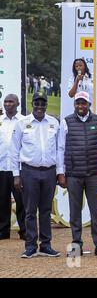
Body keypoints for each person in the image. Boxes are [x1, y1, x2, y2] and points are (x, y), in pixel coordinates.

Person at [56, 92, 97, 258]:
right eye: (78, 103)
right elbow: (60, 148)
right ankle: (76, 245)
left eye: (84, 103)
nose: (81, 106)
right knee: (75, 212)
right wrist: (61, 172)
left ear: (89, 104)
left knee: (96, 211)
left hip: (93, 173)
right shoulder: (66, 122)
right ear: (74, 104)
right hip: (73, 173)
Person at [10, 92, 60, 258]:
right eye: (37, 103)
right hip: (29, 172)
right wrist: (16, 175)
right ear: (32, 104)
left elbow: (59, 150)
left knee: (46, 211)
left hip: (49, 172)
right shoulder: (22, 123)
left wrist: (60, 172)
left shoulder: (54, 123)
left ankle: (46, 245)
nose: (40, 107)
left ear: (46, 105)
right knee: (30, 211)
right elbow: (14, 150)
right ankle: (30, 245)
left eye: (43, 104)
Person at [0, 94, 26, 241]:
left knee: (22, 200)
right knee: (2, 200)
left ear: (17, 104)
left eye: (11, 101)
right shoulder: (0, 121)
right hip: (2, 167)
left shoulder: (23, 121)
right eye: (6, 101)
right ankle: (3, 231)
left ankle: (24, 231)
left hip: (19, 168)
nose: (7, 104)